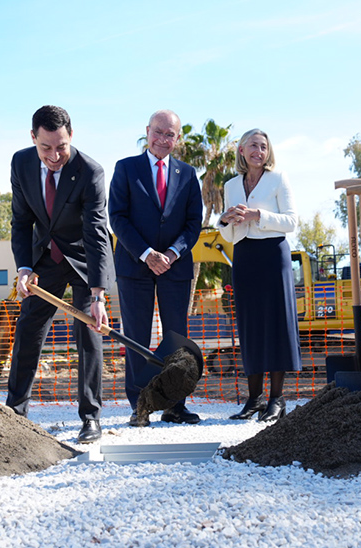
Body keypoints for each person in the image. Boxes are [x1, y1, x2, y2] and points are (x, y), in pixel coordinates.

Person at [6, 105, 114, 444]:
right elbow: (21, 222)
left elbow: (97, 232)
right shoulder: (21, 163)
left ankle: (90, 417)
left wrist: (98, 296)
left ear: (71, 136)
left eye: (62, 146)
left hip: (83, 258)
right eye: (46, 147)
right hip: (45, 259)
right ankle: (15, 413)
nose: (54, 155)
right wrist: (24, 267)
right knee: (28, 329)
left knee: (88, 334)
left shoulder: (90, 171)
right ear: (33, 138)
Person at [109, 109, 204, 427]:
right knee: (135, 336)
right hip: (134, 266)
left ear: (177, 139)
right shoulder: (125, 168)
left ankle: (176, 405)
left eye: (170, 134)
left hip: (175, 269)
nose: (163, 139)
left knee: (177, 339)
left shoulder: (188, 175)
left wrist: (174, 254)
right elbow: (117, 217)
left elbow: (193, 224)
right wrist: (147, 254)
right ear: (147, 131)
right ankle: (140, 405)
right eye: (158, 132)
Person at [218, 128, 301, 422]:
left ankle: (277, 400)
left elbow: (292, 221)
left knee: (276, 325)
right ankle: (254, 399)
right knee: (250, 326)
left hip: (273, 255)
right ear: (241, 150)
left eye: (263, 146)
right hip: (244, 257)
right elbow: (227, 233)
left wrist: (258, 216)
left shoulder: (279, 179)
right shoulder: (230, 185)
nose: (259, 151)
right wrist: (225, 220)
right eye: (253, 145)